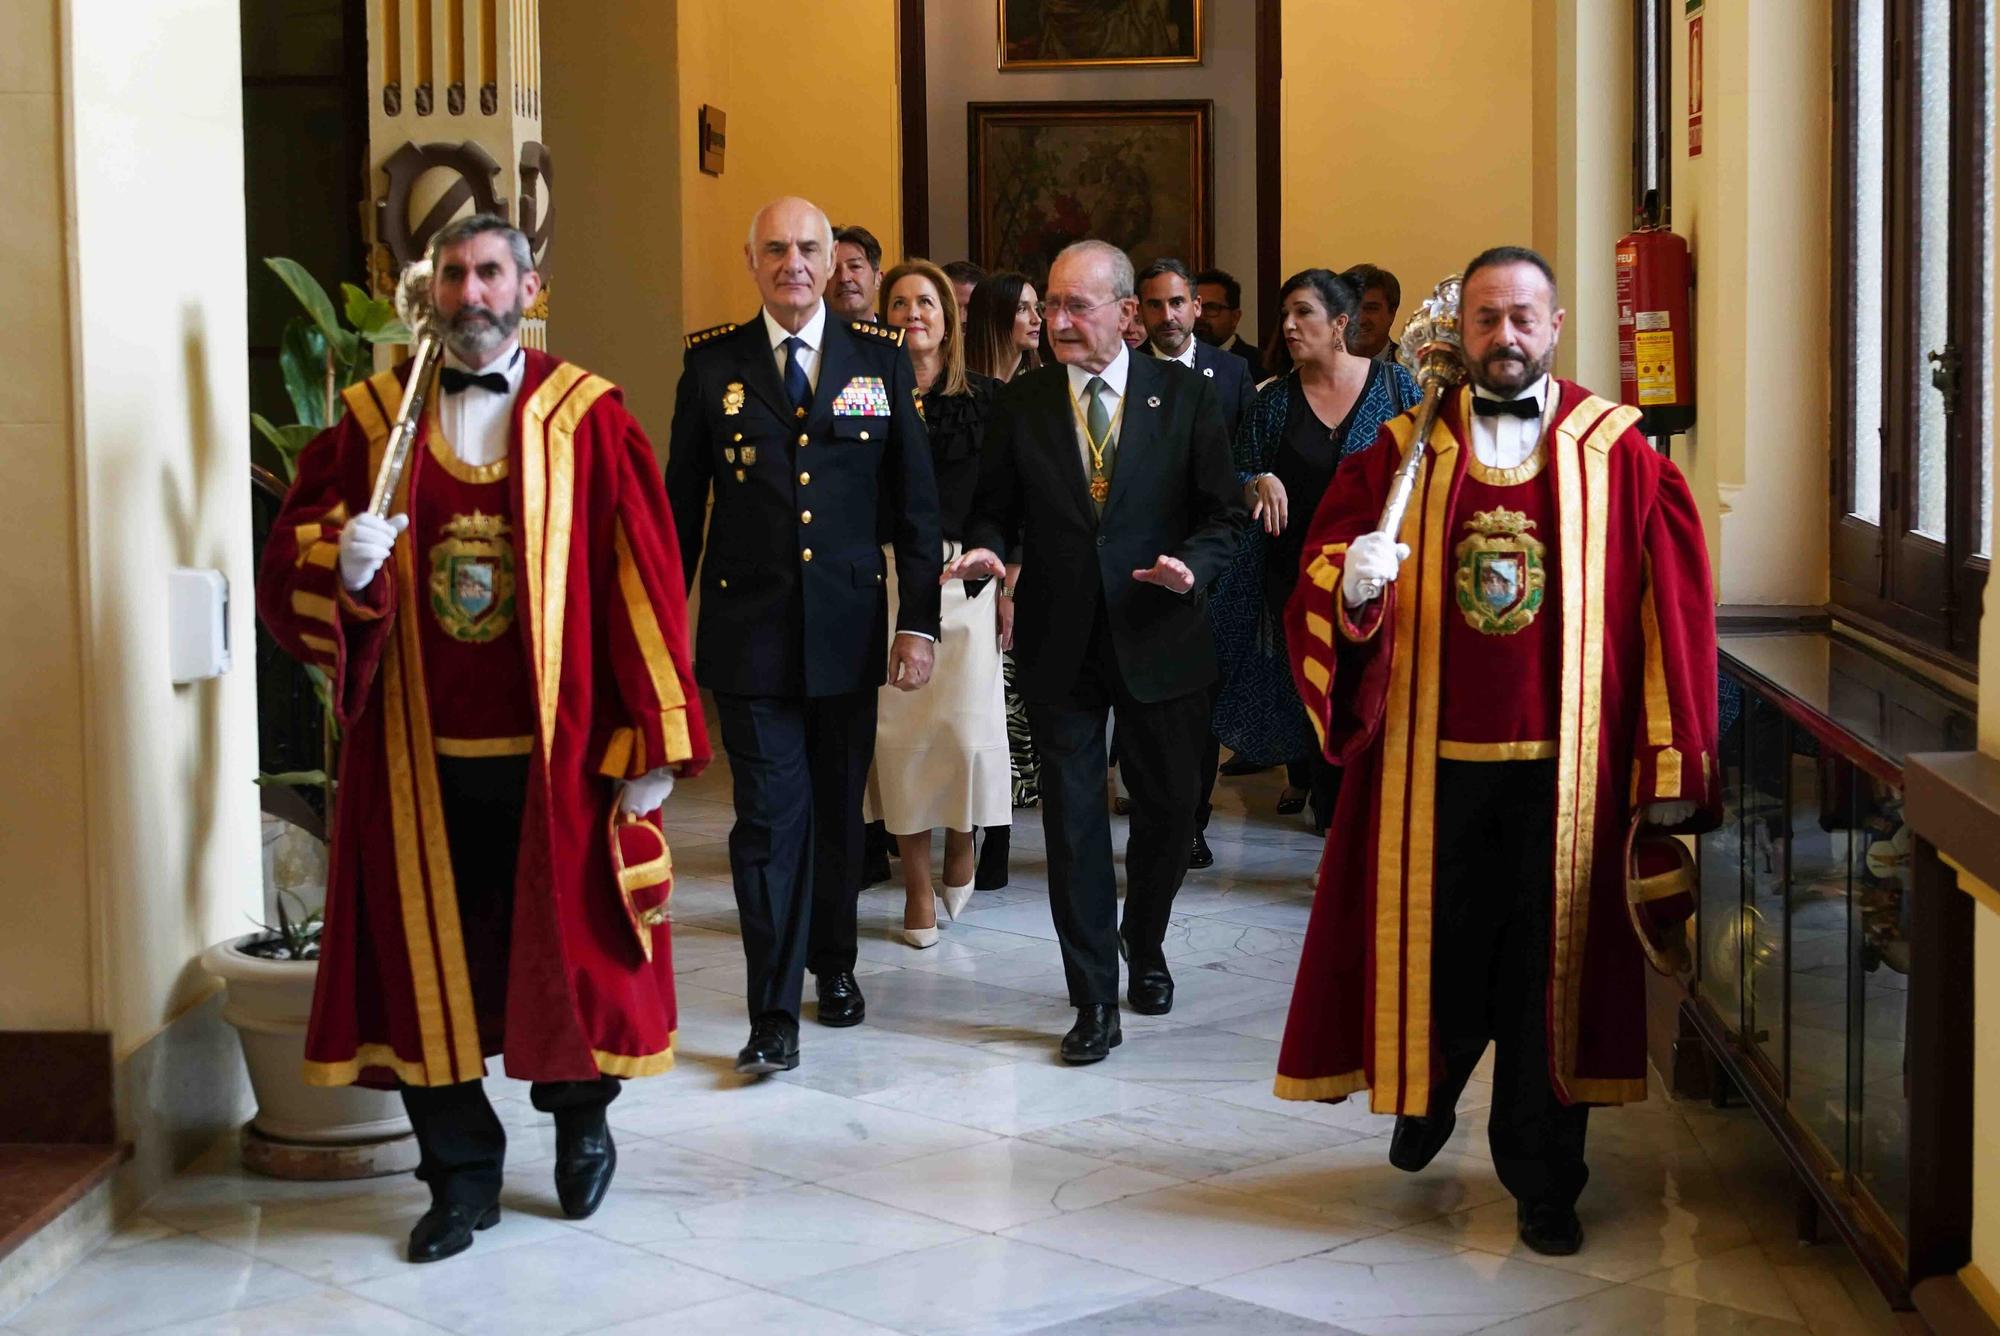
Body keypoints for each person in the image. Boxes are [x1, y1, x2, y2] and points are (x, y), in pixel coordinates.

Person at [258, 214, 709, 1263]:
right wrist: (345, 566)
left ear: (528, 286)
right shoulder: (374, 419)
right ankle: (457, 1175)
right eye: (454, 275)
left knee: (568, 955)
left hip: (556, 752)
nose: (471, 293)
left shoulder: (589, 418)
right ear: (435, 293)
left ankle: (580, 1121)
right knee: (426, 974)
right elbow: (293, 569)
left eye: (489, 273)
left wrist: (651, 739)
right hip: (416, 758)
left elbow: (640, 575)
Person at [1275, 246, 1718, 1257]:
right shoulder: (1396, 450)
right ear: (1458, 332)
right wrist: (1352, 585)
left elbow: (1671, 610)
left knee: (1546, 977)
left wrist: (1666, 763)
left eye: (1521, 318)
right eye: (1484, 319)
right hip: (1423, 775)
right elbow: (1325, 570)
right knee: (1435, 956)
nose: (1503, 338)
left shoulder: (1617, 452)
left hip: (1568, 777)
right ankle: (1423, 1094)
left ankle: (1542, 1178)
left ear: (1555, 328)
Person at [946, 240, 1246, 1064]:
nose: (1060, 321)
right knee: (1076, 826)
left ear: (1127, 315)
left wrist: (1195, 568)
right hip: (1060, 637)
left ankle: (1142, 945)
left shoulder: (1186, 398)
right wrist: (986, 550)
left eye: (1079, 307)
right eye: (1052, 305)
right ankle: (1092, 998)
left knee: (1169, 811)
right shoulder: (1024, 402)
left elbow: (1223, 517)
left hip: (1161, 634)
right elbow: (993, 510)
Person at [666, 196, 941, 1075]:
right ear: (752, 262)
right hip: (746, 635)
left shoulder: (879, 360)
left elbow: (915, 507)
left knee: (833, 815)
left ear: (835, 263)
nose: (793, 262)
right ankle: (772, 1012)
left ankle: (835, 964)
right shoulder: (713, 366)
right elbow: (679, 514)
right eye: (775, 248)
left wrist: (919, 622)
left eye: (808, 248)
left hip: (847, 630)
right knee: (767, 823)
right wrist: (660, 637)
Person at [1211, 269, 1419, 831]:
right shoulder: (1274, 401)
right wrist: (1257, 479)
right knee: (1311, 693)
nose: (1289, 325)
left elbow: (1430, 467)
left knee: (1371, 691)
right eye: (1286, 314)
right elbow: (1235, 469)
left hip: (1379, 577)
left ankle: (1364, 812)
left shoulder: (1400, 389)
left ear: (1339, 324)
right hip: (1295, 574)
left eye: (1303, 312)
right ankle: (1329, 811)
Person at [864, 260, 1010, 946]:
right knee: (900, 739)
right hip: (889, 579)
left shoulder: (986, 398)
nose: (912, 313)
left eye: (926, 301)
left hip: (967, 580)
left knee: (962, 731)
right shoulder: (863, 394)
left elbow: (1001, 498)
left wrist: (987, 560)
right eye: (899, 303)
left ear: (949, 318)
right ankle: (917, 886)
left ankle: (964, 834)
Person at [1136, 257, 1253, 869]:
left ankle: (1193, 821)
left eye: (1177, 303)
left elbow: (1246, 454)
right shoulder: (1120, 374)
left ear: (1196, 308)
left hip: (1210, 563)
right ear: (1138, 311)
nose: (1168, 316)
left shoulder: (1231, 374)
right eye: (1155, 304)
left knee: (1199, 697)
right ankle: (1152, 807)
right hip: (1138, 558)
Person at [963, 269, 1048, 862]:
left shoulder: (1039, 386)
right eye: (1025, 309)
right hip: (981, 562)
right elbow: (985, 494)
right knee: (986, 701)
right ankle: (979, 838)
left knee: (1016, 701)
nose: (1038, 320)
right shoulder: (969, 394)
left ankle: (997, 837)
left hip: (1032, 563)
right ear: (997, 318)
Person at [965, 271, 1044, 384]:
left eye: (1036, 308)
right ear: (993, 317)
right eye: (1022, 309)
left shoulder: (1047, 384)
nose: (1037, 319)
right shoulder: (957, 386)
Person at [1193, 267, 1266, 381]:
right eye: (1195, 307)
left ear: (1235, 317)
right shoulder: (1174, 361)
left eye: (1211, 308)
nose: (1200, 316)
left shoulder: (1259, 364)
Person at [1342, 263, 1404, 361]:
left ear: (1392, 313)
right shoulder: (1314, 369)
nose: (1361, 319)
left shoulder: (1414, 370)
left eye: (1370, 308)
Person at [827, 223, 885, 323]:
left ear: (878, 279)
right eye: (834, 269)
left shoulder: (898, 337)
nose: (844, 278)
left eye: (855, 266)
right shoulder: (805, 338)